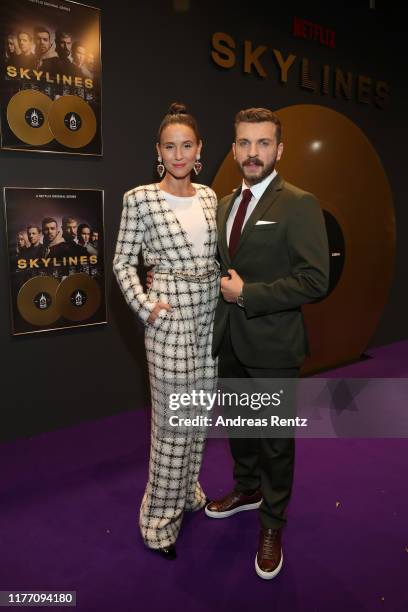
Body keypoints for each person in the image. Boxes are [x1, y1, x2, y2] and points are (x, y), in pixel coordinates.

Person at [204, 108, 329, 580]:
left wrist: (249, 295)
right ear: (234, 148)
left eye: (262, 143)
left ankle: (272, 523)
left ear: (279, 149)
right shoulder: (221, 204)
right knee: (240, 426)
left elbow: (316, 280)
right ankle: (246, 489)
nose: (252, 153)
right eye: (243, 143)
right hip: (230, 341)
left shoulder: (299, 203)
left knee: (276, 441)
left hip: (274, 344)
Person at [113, 103, 219, 560]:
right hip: (170, 320)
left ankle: (188, 493)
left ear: (200, 150)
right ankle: (158, 522)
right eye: (170, 146)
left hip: (210, 316)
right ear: (158, 151)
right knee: (172, 426)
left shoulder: (211, 196)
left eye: (187, 145)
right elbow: (122, 261)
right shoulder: (140, 199)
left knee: (198, 417)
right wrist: (144, 307)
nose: (179, 154)